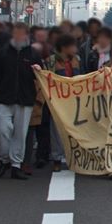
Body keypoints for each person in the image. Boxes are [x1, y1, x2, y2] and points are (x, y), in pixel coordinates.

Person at [0, 22, 43, 180]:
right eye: (16, 33)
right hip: (5, 97)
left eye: (21, 33)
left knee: (20, 133)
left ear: (26, 35)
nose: (18, 37)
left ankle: (16, 165)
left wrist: (38, 70)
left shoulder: (32, 54)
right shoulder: (3, 52)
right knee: (1, 130)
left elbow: (41, 75)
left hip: (25, 98)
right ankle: (5, 158)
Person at [44, 34, 82, 172]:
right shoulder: (51, 61)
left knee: (74, 129)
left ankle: (74, 157)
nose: (75, 49)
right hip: (58, 100)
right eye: (72, 46)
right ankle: (57, 158)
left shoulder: (77, 60)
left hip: (74, 101)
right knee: (56, 130)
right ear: (64, 47)